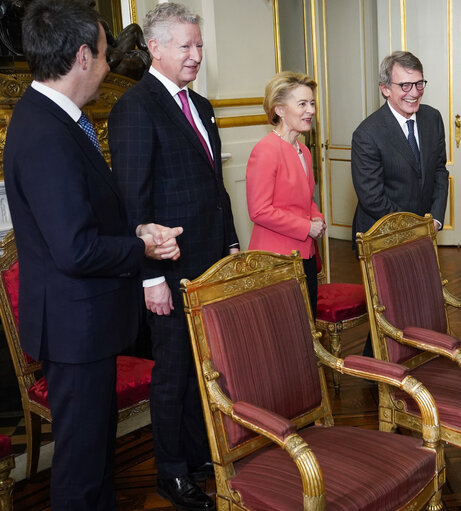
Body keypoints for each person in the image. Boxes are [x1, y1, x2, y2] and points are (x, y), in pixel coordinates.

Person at [4, 1, 182, 509]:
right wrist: (143, 246)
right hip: (74, 329)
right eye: (105, 55)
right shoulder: (45, 134)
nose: (109, 67)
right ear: (83, 56)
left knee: (96, 460)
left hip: (85, 323)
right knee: (82, 473)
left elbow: (86, 217)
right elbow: (76, 248)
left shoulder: (54, 119)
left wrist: (135, 227)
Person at [108, 3, 239, 510]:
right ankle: (172, 473)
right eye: (184, 45)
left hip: (209, 261)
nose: (195, 55)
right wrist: (149, 279)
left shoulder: (201, 105)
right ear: (154, 48)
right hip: (167, 269)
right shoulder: (135, 108)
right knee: (172, 373)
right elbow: (133, 204)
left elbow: (215, 186)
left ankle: (198, 452)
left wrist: (230, 243)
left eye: (199, 45)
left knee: (204, 366)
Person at [246, 71, 325, 315]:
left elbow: (306, 199)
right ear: (279, 109)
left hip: (306, 253)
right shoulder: (266, 150)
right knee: (287, 332)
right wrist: (305, 227)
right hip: (277, 259)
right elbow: (259, 210)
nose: (310, 110)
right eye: (302, 104)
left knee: (306, 325)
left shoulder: (303, 149)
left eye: (311, 103)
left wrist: (317, 218)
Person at [351, 50, 449, 237]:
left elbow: (439, 171)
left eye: (419, 84)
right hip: (382, 235)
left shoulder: (432, 118)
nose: (414, 93)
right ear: (385, 89)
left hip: (425, 231)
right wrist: (412, 228)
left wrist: (435, 218)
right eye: (405, 85)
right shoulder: (367, 134)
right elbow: (372, 198)